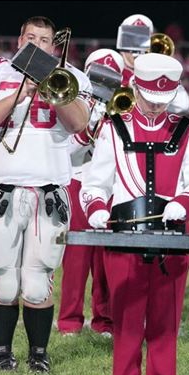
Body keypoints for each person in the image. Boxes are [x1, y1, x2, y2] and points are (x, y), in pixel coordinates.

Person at [80, 53, 189, 375]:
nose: (155, 106)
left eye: (163, 99)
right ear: (135, 88)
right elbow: (94, 184)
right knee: (126, 322)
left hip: (173, 241)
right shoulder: (112, 128)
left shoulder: (185, 131)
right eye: (149, 98)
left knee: (164, 322)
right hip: (125, 239)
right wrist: (96, 209)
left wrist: (183, 205)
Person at [0, 16, 92, 373]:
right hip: (1, 189)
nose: (37, 44)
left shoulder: (74, 76)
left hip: (49, 189)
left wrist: (51, 87)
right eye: (31, 37)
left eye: (45, 39)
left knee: (38, 282)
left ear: (55, 45)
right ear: (20, 40)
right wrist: (17, 93)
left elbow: (79, 123)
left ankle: (39, 354)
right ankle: (2, 354)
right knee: (4, 280)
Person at [58, 49, 124, 337]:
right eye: (98, 76)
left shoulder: (123, 108)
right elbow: (66, 151)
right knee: (76, 258)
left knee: (105, 259)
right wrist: (88, 130)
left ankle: (105, 321)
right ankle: (70, 321)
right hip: (77, 180)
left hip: (108, 186)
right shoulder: (70, 101)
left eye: (110, 79)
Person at [116, 13, 189, 113]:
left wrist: (164, 68)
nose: (136, 50)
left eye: (142, 41)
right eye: (131, 41)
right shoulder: (113, 67)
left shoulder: (156, 72)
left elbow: (182, 105)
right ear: (122, 43)